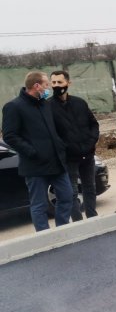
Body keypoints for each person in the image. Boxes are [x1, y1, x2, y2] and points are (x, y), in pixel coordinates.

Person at [1, 71, 74, 231]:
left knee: (67, 197)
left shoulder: (45, 105)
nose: (48, 88)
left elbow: (55, 130)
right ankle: (44, 238)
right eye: (47, 84)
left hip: (56, 162)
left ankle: (63, 230)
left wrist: (61, 147)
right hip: (35, 166)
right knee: (39, 204)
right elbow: (10, 136)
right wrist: (32, 152)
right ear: (37, 86)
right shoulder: (14, 107)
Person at [49, 69, 100, 220]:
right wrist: (67, 147)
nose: (57, 85)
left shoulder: (79, 102)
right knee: (71, 191)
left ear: (68, 83)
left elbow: (93, 124)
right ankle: (78, 221)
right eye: (53, 82)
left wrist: (91, 143)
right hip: (69, 157)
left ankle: (92, 216)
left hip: (88, 154)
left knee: (90, 187)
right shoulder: (48, 107)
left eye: (60, 82)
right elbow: (53, 135)